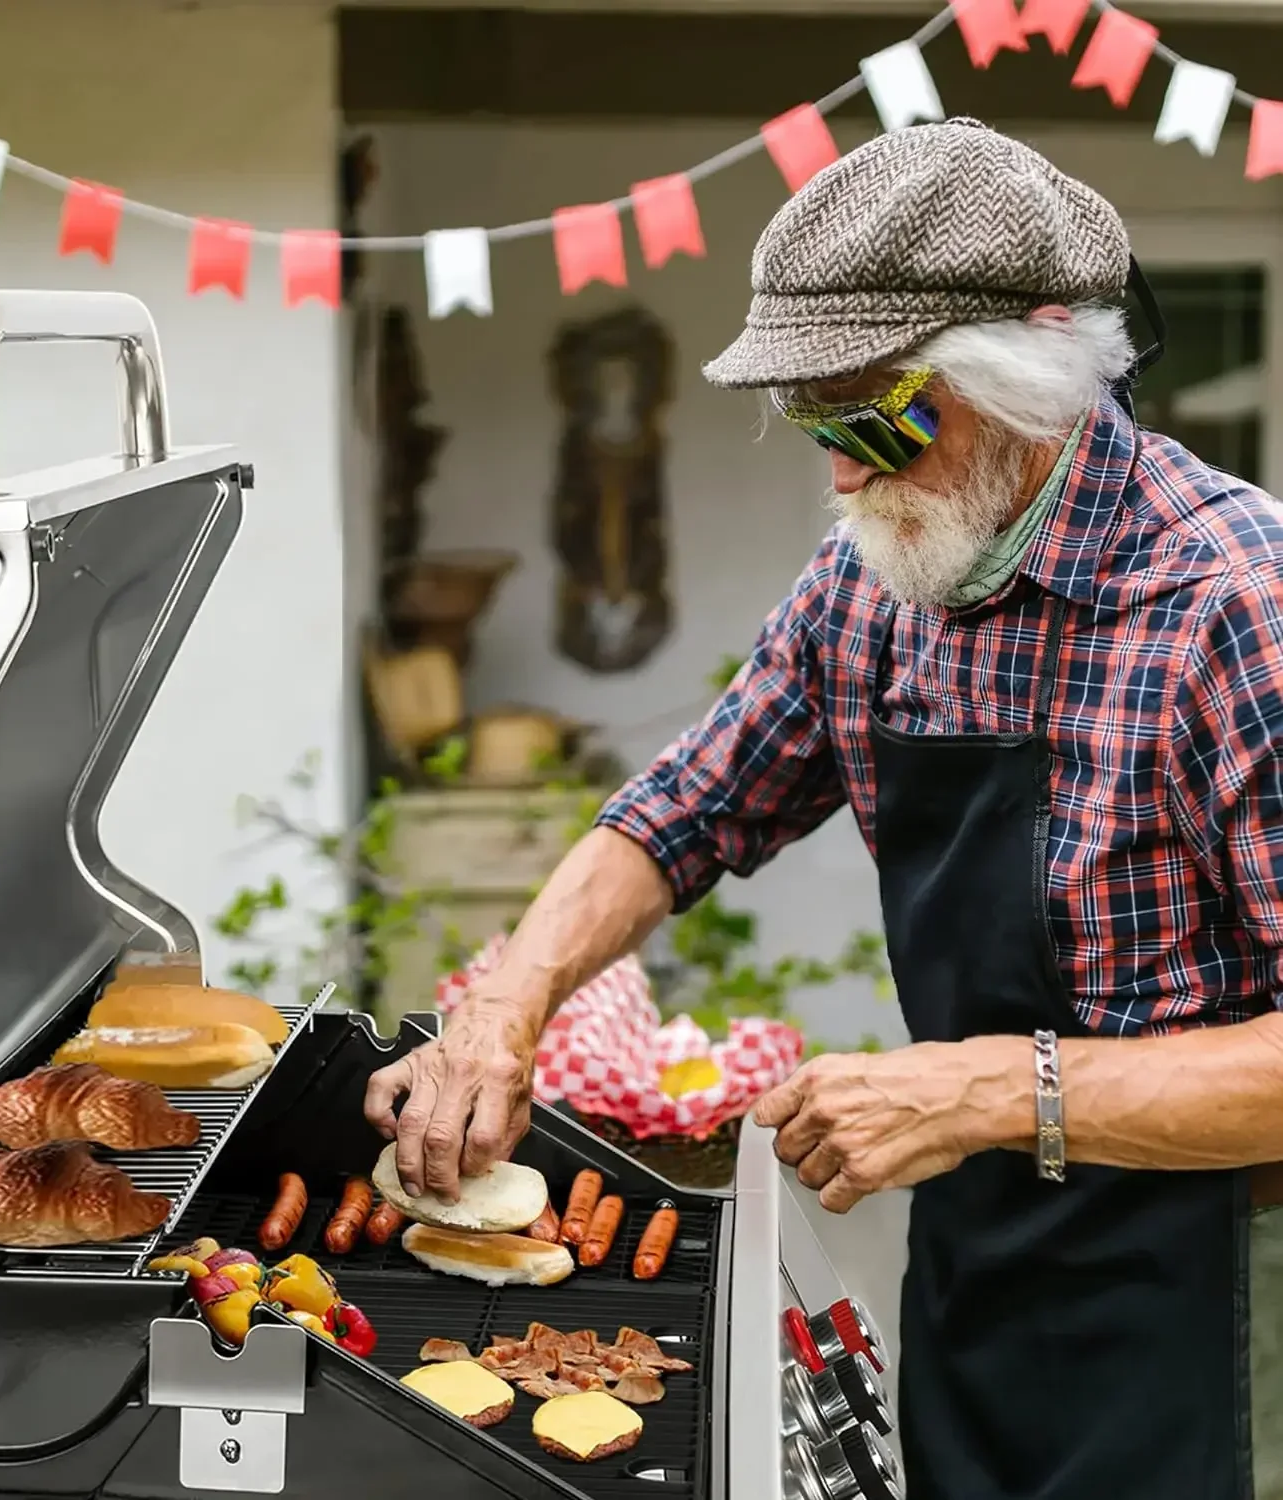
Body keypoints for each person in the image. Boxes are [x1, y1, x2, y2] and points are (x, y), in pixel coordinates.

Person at [364, 117, 1283, 1498]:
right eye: (814, 425)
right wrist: (503, 1008)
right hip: (986, 1242)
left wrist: (990, 1086)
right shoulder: (876, 577)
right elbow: (678, 814)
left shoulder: (1233, 605)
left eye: (871, 420)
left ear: (1025, 385)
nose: (840, 474)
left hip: (1220, 1273)